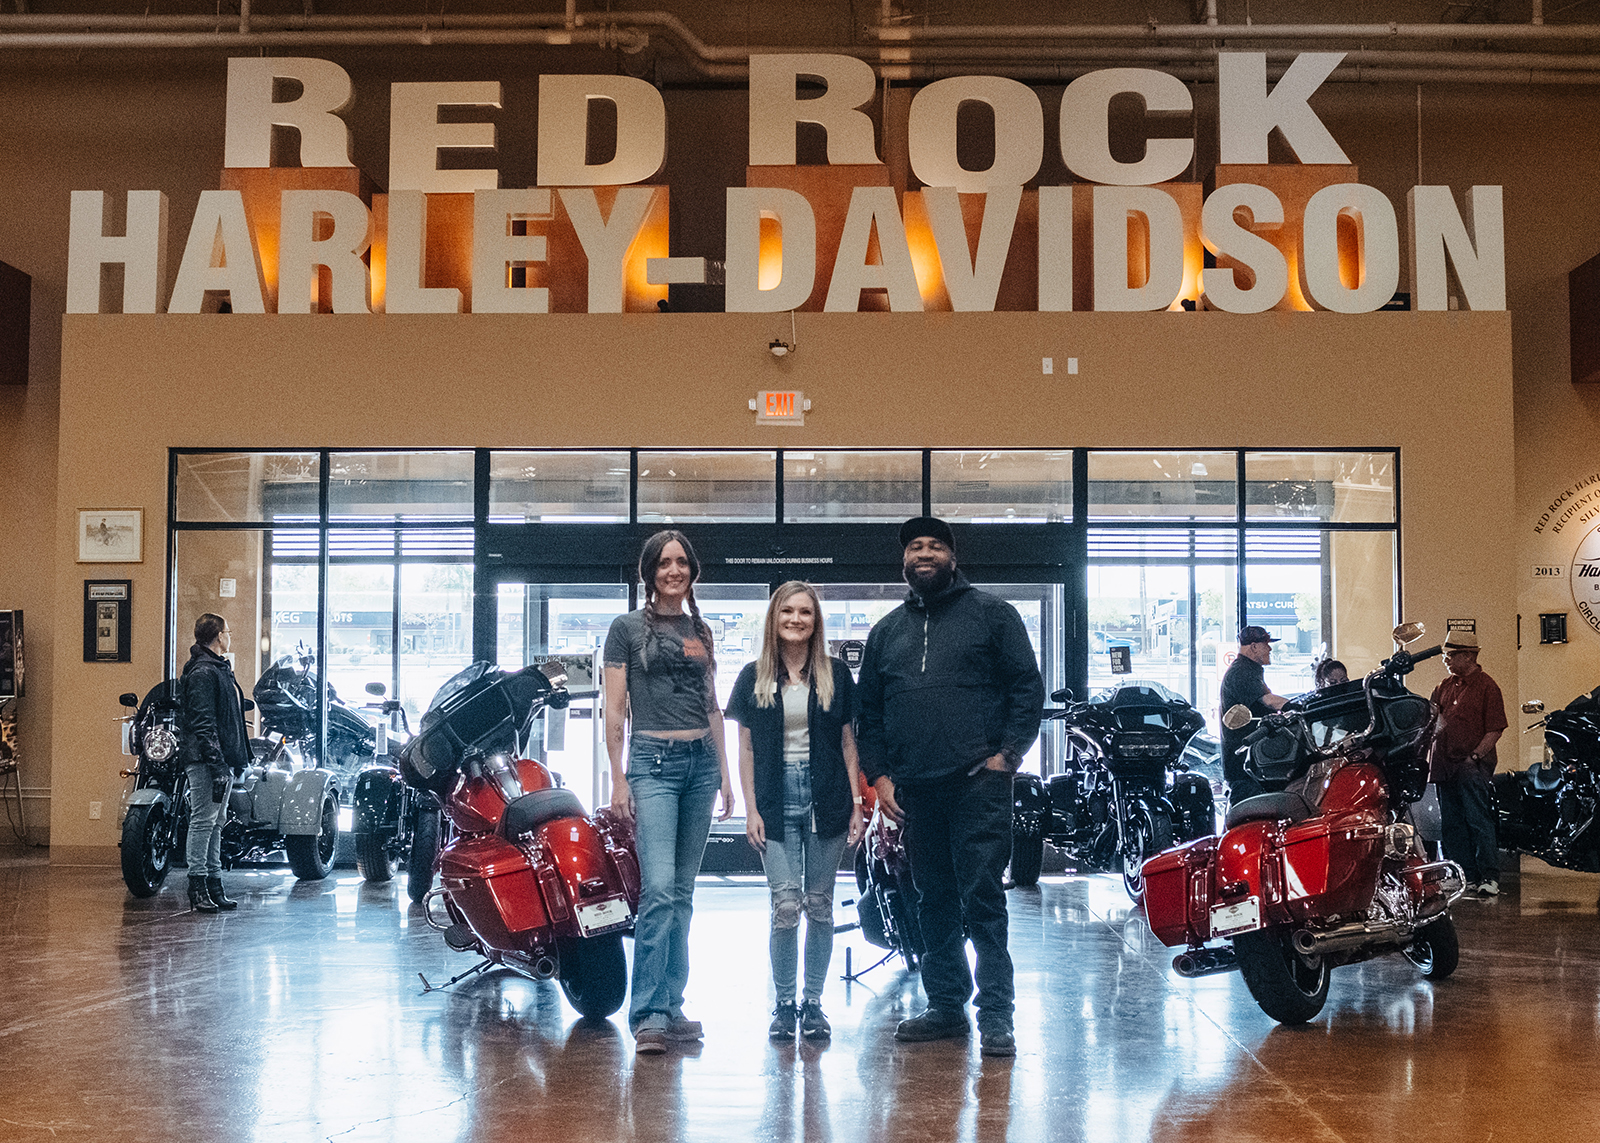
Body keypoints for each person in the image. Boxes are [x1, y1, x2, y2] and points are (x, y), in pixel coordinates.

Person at [856, 517, 1044, 1058]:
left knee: (982, 898)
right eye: (915, 546)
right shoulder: (886, 631)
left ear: (953, 558)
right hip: (914, 790)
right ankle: (945, 1006)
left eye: (935, 545)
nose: (924, 553)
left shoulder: (993, 615)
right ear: (904, 561)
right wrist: (882, 775)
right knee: (930, 899)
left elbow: (1025, 688)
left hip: (977, 785)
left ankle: (997, 1015)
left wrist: (1007, 757)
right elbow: (869, 714)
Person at [603, 530, 735, 1055]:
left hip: (701, 764)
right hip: (652, 765)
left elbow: (711, 706)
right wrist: (617, 776)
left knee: (683, 893)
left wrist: (724, 772)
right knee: (657, 890)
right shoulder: (626, 629)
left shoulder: (701, 628)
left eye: (682, 562)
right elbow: (616, 709)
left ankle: (672, 1005)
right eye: (664, 563)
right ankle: (647, 1014)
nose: (674, 570)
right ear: (650, 571)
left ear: (692, 570)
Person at [728, 582, 866, 1042]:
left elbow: (849, 744)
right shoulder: (753, 676)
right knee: (786, 906)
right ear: (774, 617)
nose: (796, 619)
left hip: (827, 793)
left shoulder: (837, 676)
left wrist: (857, 804)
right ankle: (784, 1004)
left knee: (820, 906)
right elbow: (744, 747)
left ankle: (813, 1004)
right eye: (787, 610)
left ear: (816, 621)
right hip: (774, 794)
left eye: (805, 612)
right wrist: (750, 809)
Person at [177, 613, 249, 913]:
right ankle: (197, 885)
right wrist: (217, 765)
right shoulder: (203, 672)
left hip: (221, 758)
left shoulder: (217, 668)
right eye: (227, 631)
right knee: (203, 820)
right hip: (206, 758)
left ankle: (214, 882)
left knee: (216, 822)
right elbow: (203, 724)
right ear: (219, 636)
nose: (229, 636)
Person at [1428, 631, 1508, 897]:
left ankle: (1489, 877)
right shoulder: (1443, 686)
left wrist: (1474, 757)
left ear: (1468, 656)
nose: (1446, 660)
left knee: (1478, 821)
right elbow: (1432, 720)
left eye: (1450, 655)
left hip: (1470, 765)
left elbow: (1495, 729)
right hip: (1444, 765)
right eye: (1446, 655)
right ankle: (1465, 876)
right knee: (1451, 824)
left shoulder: (1488, 687)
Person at [1218, 626, 1289, 804]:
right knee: (1246, 819)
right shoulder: (1242, 672)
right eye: (1266, 644)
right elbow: (1269, 701)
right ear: (1254, 646)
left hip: (1252, 763)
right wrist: (1300, 705)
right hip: (1245, 767)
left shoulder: (1248, 670)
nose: (1270, 649)